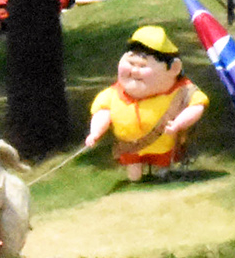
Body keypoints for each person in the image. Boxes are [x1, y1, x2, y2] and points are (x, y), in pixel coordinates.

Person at [86, 24, 207, 182]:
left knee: (162, 170)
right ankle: (137, 178)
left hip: (164, 146)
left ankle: (162, 173)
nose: (135, 71)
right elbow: (102, 112)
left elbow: (197, 105)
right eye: (131, 63)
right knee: (134, 175)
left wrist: (178, 124)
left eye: (143, 66)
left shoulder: (182, 92)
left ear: (174, 68)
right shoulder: (113, 94)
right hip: (131, 149)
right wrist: (95, 133)